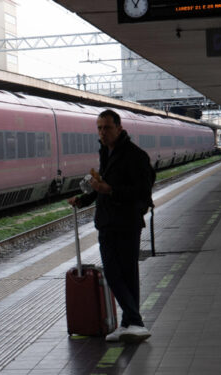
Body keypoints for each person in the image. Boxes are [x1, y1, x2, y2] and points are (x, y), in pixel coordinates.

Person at [68, 109, 153, 343]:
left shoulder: (135, 156)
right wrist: (84, 198)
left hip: (126, 221)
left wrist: (111, 190)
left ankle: (135, 321)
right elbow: (102, 185)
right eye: (99, 128)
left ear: (119, 127)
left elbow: (143, 191)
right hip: (107, 221)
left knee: (117, 273)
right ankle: (129, 324)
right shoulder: (106, 152)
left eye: (106, 127)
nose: (102, 132)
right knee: (125, 274)